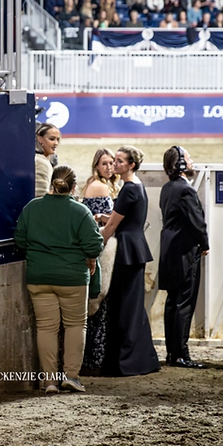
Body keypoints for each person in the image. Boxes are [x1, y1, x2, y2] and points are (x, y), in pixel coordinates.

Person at [15, 165, 103, 394]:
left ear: (52, 183)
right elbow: (94, 245)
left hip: (39, 277)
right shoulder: (80, 211)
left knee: (46, 328)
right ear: (74, 187)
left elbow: (20, 241)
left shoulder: (31, 208)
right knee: (74, 325)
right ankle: (71, 377)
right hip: (72, 279)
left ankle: (49, 381)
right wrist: (90, 258)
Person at [99, 146, 161, 376]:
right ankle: (139, 359)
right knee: (132, 307)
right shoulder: (137, 186)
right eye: (114, 160)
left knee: (124, 308)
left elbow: (113, 226)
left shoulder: (128, 190)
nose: (115, 164)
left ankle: (126, 362)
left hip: (126, 251)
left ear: (131, 165)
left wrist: (94, 247)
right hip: (133, 249)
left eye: (119, 161)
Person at [159, 146, 209, 369]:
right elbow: (197, 221)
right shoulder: (185, 190)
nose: (191, 162)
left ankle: (173, 353)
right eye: (188, 159)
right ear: (180, 164)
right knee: (183, 304)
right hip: (183, 252)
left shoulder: (167, 188)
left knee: (172, 303)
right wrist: (205, 243)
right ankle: (181, 354)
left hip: (169, 251)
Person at [80, 148, 120, 375]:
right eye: (104, 163)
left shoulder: (102, 184)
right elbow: (103, 222)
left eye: (112, 163)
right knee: (98, 303)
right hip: (102, 249)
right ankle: (93, 359)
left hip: (100, 248)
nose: (109, 167)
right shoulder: (100, 187)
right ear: (96, 165)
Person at [34, 123, 60, 198]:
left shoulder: (39, 159)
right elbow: (40, 197)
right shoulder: (41, 163)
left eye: (57, 139)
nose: (56, 143)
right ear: (40, 139)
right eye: (52, 139)